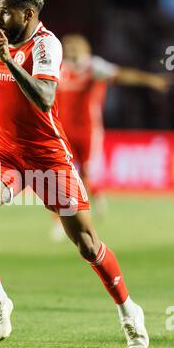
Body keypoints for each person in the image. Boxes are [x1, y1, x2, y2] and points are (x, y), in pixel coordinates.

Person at [0, 0, 149, 348]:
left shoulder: (47, 45)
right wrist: (5, 53)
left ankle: (129, 310)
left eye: (6, 11)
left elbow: (45, 99)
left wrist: (10, 59)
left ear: (28, 14)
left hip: (48, 157)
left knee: (87, 244)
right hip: (9, 153)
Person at [51, 34, 170, 240]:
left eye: (75, 47)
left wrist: (151, 80)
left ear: (85, 49)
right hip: (62, 130)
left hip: (88, 130)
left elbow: (123, 75)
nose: (70, 51)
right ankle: (60, 222)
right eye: (67, 47)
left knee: (86, 174)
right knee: (58, 174)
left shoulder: (93, 66)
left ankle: (91, 201)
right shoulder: (57, 68)